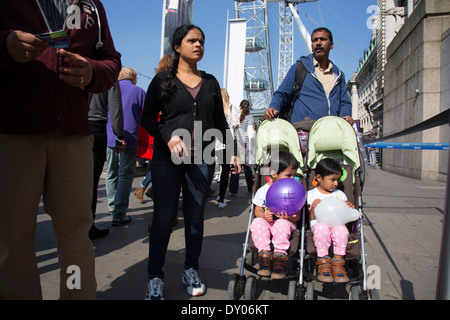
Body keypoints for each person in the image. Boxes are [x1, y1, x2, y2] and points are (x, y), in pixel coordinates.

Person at [0, 0, 121, 299]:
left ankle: (76, 294)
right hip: (13, 133)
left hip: (74, 137)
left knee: (76, 237)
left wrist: (92, 72)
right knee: (11, 240)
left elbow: (111, 61)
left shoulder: (91, 6)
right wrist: (4, 45)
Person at [141, 24, 240, 300]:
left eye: (202, 41)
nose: (199, 45)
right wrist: (167, 135)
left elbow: (219, 124)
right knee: (163, 218)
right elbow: (148, 118)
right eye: (192, 40)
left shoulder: (210, 83)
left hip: (202, 160)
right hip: (167, 159)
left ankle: (191, 269)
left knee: (195, 219)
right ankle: (155, 277)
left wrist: (230, 152)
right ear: (177, 47)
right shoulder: (162, 81)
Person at [265, 27, 353, 126]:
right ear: (311, 46)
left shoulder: (339, 75)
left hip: (331, 132)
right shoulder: (300, 68)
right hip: (303, 131)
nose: (318, 43)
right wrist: (274, 107)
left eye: (323, 39)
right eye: (315, 40)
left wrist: (346, 115)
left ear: (331, 45)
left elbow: (344, 102)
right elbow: (282, 93)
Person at [250, 151, 300, 280]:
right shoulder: (263, 190)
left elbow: (298, 216)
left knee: (281, 224)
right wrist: (263, 215)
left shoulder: (294, 191)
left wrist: (288, 217)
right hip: (268, 223)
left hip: (285, 223)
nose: (292, 179)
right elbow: (257, 211)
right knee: (257, 222)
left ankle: (279, 256)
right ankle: (264, 254)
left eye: (294, 175)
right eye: (288, 175)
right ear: (274, 174)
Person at [106, 67, 146, 226]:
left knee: (111, 172)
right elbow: (146, 115)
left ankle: (111, 205)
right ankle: (119, 212)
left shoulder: (110, 89)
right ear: (134, 78)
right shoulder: (139, 92)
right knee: (125, 174)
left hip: (110, 137)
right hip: (130, 138)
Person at [307, 158, 356, 283]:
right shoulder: (312, 195)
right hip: (319, 224)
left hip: (337, 224)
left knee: (342, 230)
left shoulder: (340, 194)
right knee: (322, 229)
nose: (335, 183)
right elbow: (310, 218)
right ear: (319, 178)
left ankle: (338, 262)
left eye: (337, 180)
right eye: (332, 179)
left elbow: (345, 215)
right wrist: (312, 208)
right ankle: (323, 261)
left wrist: (349, 208)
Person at [135, 54, 174, 204]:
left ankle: (147, 189)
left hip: (155, 131)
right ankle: (147, 189)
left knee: (160, 165)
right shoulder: (165, 83)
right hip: (163, 131)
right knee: (163, 167)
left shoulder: (156, 81)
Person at [88, 81, 125, 239]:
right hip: (96, 127)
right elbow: (115, 109)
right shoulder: (108, 78)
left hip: (73, 126)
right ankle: (88, 225)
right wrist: (119, 135)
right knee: (91, 181)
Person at [216, 88, 240, 208]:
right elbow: (236, 126)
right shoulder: (232, 108)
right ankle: (221, 198)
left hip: (215, 142)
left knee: (215, 170)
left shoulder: (215, 108)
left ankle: (211, 195)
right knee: (226, 170)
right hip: (228, 142)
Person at [229, 100, 255, 196]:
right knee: (247, 168)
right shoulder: (250, 118)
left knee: (236, 167)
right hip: (246, 144)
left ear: (240, 107)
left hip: (237, 144)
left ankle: (233, 190)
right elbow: (250, 133)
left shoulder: (237, 117)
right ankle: (250, 188)